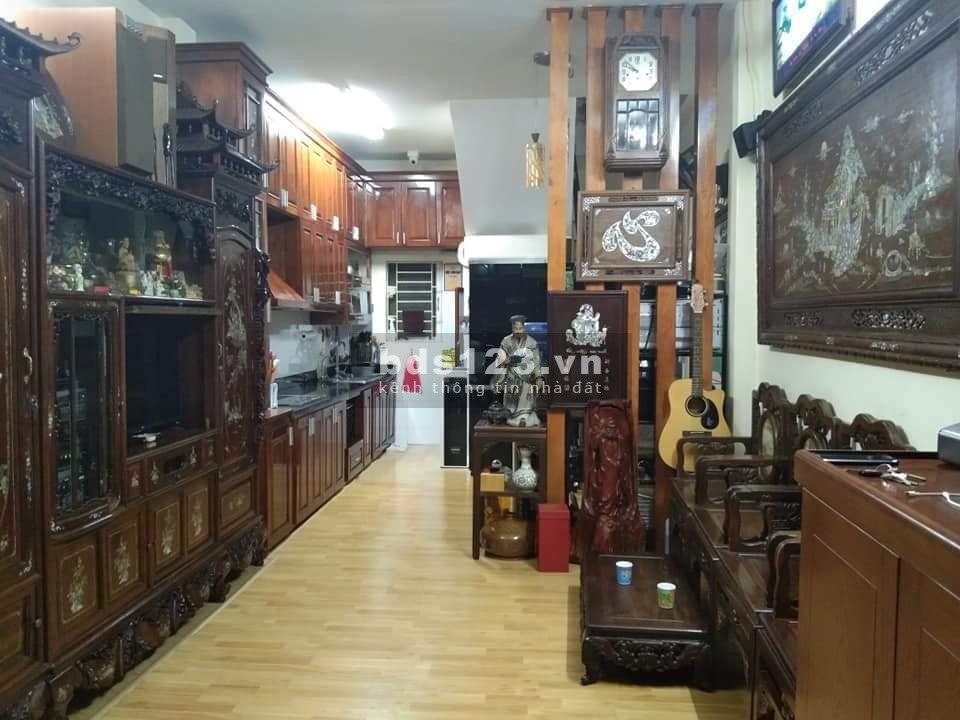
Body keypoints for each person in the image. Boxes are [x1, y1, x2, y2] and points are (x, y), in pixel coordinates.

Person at [495, 315, 543, 427]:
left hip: (526, 375)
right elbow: (500, 357)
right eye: (515, 329)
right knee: (511, 396)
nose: (518, 331)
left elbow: (536, 360)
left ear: (524, 328)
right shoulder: (506, 341)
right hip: (511, 374)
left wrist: (538, 376)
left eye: (520, 328)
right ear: (512, 328)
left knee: (525, 397)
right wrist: (505, 360)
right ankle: (511, 416)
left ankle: (525, 417)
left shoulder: (531, 342)